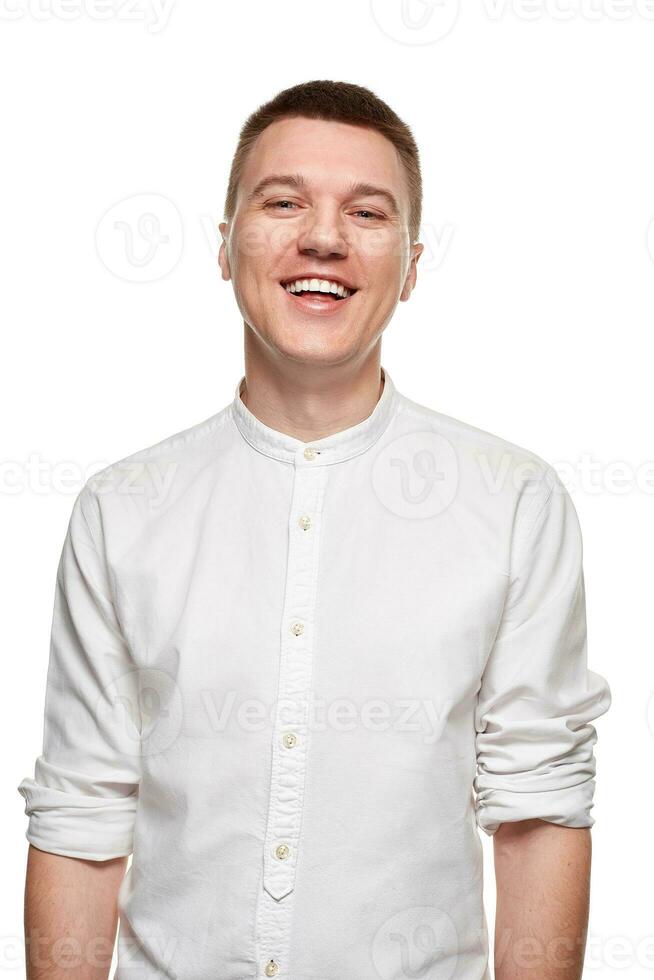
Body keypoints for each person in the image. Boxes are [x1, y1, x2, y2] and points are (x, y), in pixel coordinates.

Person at [18, 79, 611, 980]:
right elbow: (81, 811)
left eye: (367, 212)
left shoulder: (513, 502)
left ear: (412, 264)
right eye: (284, 200)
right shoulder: (121, 509)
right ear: (224, 246)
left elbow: (538, 809)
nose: (323, 237)